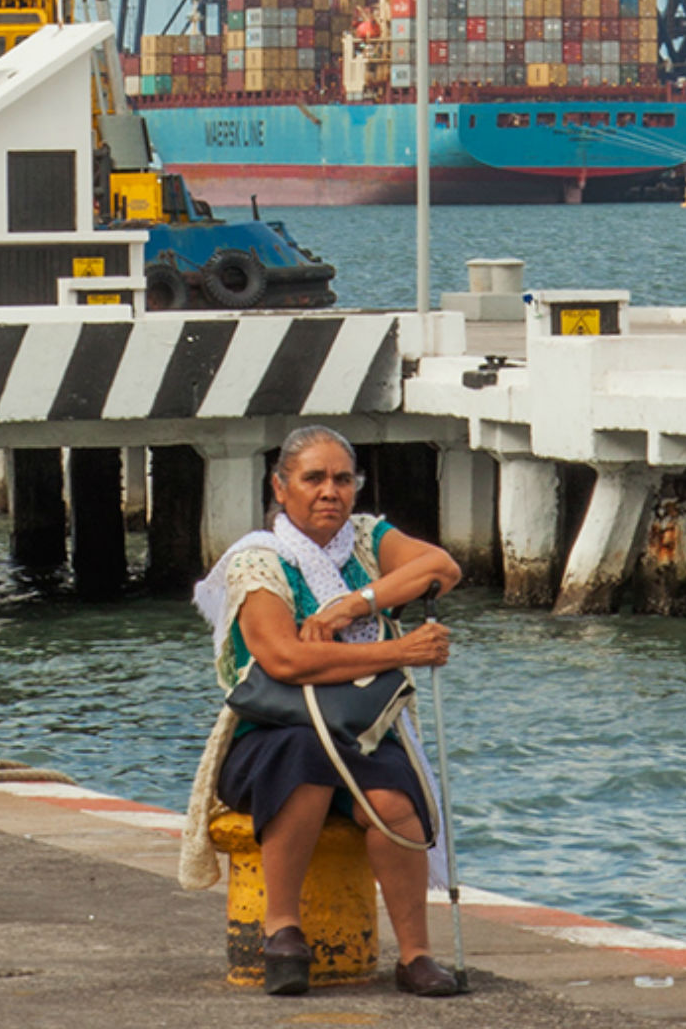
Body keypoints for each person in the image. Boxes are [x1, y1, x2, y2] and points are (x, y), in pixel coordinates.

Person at [182, 426, 465, 998]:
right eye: (313, 478)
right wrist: (398, 651)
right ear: (281, 488)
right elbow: (285, 659)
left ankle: (415, 955)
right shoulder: (259, 561)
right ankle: (282, 931)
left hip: (359, 727)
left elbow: (441, 567)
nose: (329, 491)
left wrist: (350, 605)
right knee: (307, 759)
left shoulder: (365, 539)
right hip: (273, 733)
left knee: (394, 801)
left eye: (342, 479)